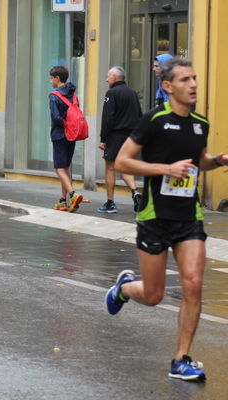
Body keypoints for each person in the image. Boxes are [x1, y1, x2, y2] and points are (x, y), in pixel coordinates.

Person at [106, 58, 228, 382]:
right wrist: (165, 169)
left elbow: (199, 160)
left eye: (195, 78)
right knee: (154, 295)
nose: (193, 85)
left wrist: (217, 160)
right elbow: (122, 162)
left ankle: (181, 359)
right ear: (168, 86)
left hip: (188, 217)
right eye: (186, 79)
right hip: (155, 215)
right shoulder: (153, 121)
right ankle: (125, 288)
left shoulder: (200, 123)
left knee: (194, 284)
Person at [98, 66, 143, 213]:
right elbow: (140, 115)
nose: (106, 79)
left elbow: (107, 118)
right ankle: (135, 192)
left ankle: (110, 202)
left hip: (115, 136)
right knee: (124, 166)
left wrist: (103, 138)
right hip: (131, 137)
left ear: (115, 78)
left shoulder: (111, 93)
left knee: (110, 167)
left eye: (108, 76)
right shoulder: (132, 93)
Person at [48, 66, 83, 213]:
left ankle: (73, 194)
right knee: (65, 167)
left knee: (59, 168)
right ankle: (63, 201)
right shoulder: (73, 94)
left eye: (51, 78)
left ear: (57, 78)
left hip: (60, 134)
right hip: (72, 134)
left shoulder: (54, 95)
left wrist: (63, 125)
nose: (50, 81)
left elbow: (56, 118)